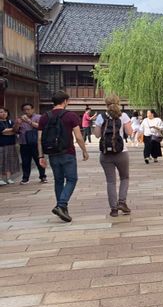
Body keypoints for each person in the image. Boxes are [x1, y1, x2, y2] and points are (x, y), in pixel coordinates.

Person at [38, 91, 89, 222]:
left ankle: (62, 208)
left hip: (52, 153)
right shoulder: (70, 115)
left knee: (58, 180)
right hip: (68, 152)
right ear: (65, 101)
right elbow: (78, 137)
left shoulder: (44, 117)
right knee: (72, 179)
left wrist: (41, 156)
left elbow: (39, 139)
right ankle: (61, 205)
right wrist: (84, 150)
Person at [93, 94, 133, 217]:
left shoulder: (101, 117)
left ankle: (114, 209)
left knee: (111, 182)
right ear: (118, 102)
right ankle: (122, 202)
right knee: (124, 178)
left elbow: (97, 135)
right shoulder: (124, 116)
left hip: (105, 154)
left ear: (106, 104)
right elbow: (129, 132)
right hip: (121, 152)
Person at [16, 103, 47, 184]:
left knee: (39, 159)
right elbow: (16, 130)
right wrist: (17, 123)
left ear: (33, 109)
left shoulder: (38, 117)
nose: (27, 111)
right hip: (24, 143)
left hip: (36, 143)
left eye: (28, 109)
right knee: (25, 161)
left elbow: (40, 126)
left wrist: (28, 121)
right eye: (25, 110)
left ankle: (43, 176)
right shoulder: (20, 118)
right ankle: (25, 178)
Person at [0, 107, 20, 185]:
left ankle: (9, 178)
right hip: (1, 145)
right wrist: (11, 130)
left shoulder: (10, 121)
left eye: (5, 112)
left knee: (10, 161)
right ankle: (0, 178)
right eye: (1, 112)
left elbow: (16, 131)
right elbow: (2, 131)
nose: (3, 113)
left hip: (11, 144)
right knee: (1, 161)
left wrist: (16, 126)